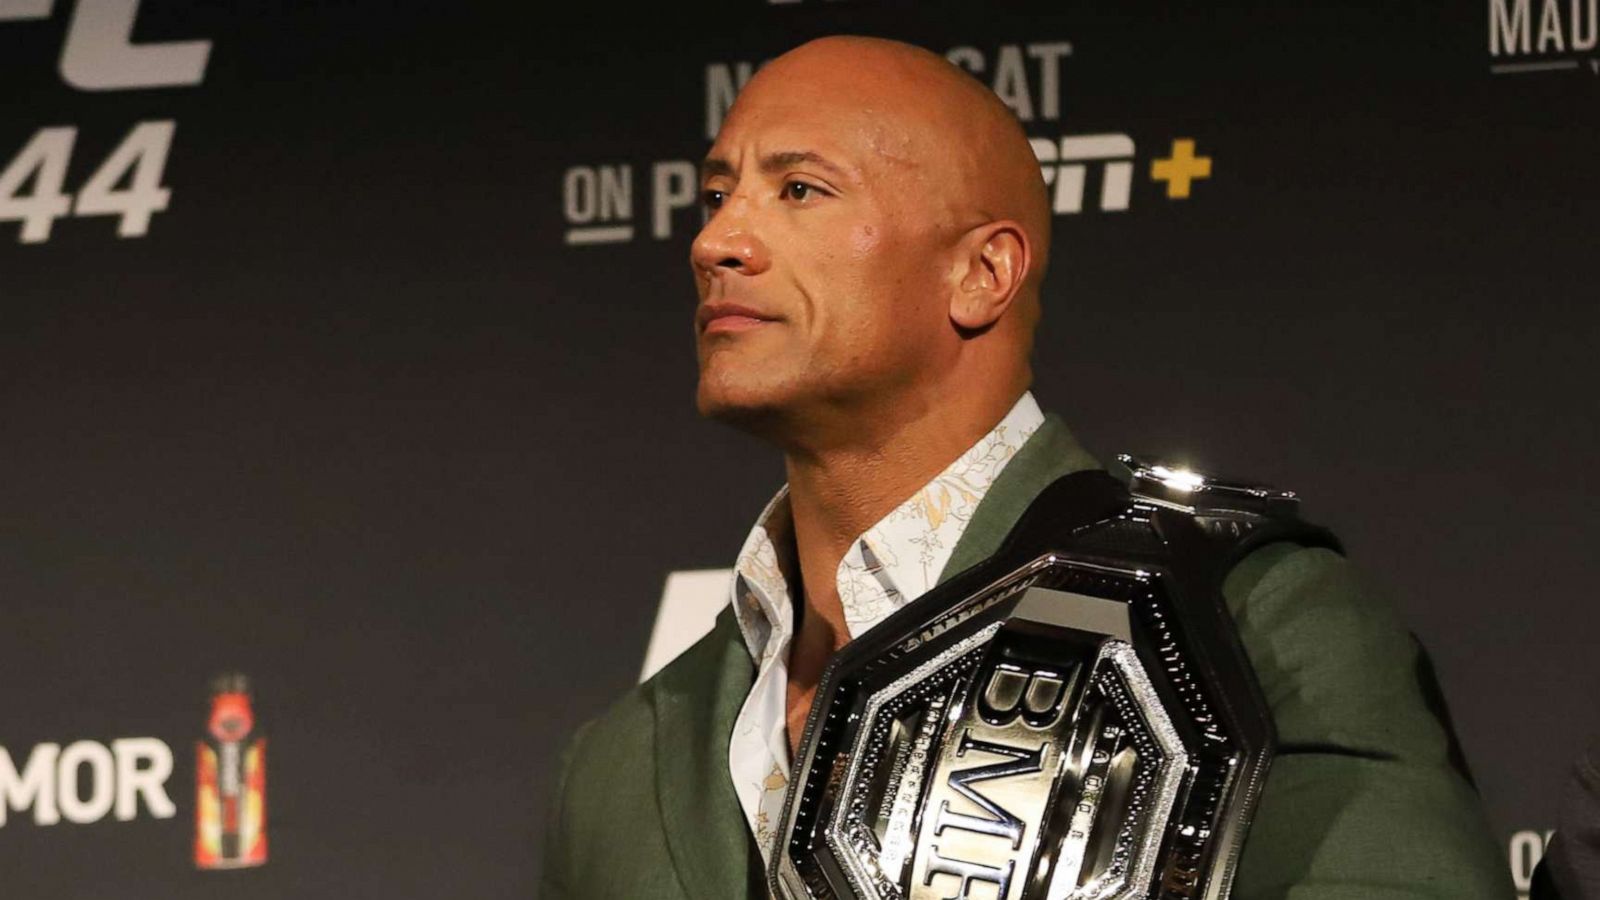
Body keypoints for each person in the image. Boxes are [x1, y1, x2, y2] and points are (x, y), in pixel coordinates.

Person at [539, 35, 1511, 899]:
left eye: (799, 189)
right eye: (715, 195)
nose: (717, 241)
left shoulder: (1255, 628)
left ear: (983, 273)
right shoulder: (621, 762)